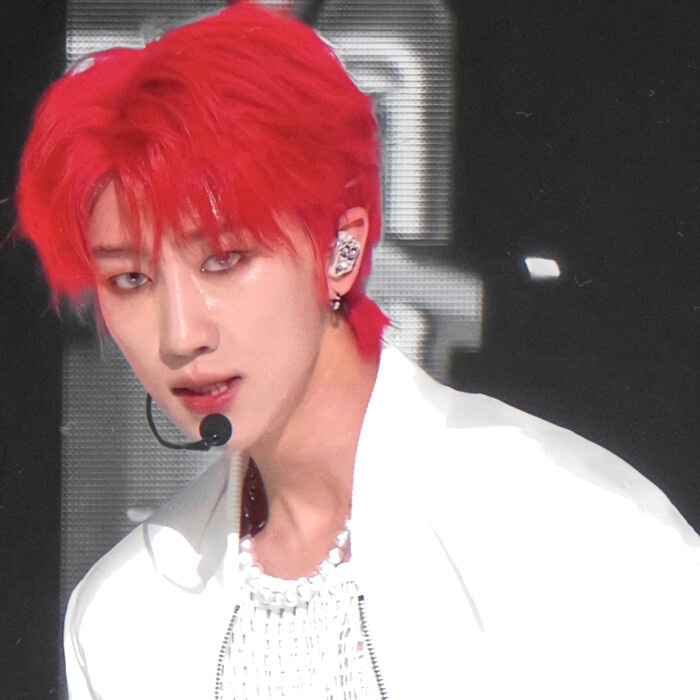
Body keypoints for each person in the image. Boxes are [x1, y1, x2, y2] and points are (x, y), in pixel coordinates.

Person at [16, 2, 700, 698]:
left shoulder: (569, 529)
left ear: (340, 250)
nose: (180, 333)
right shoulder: (124, 615)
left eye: (225, 260)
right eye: (130, 279)